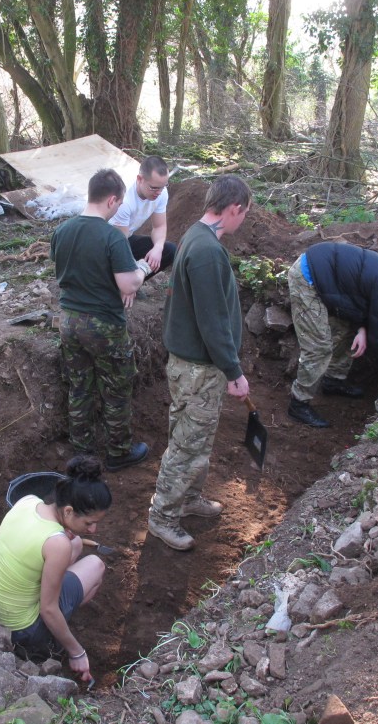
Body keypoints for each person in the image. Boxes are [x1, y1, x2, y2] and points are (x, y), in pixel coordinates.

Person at [147, 175, 252, 552]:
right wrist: (233, 371)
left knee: (194, 437)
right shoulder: (206, 251)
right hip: (198, 368)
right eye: (244, 215)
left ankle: (188, 498)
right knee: (187, 445)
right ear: (234, 209)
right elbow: (213, 320)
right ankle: (162, 516)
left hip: (189, 364)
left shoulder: (196, 235)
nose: (243, 222)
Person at [50, 169, 151, 472]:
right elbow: (128, 286)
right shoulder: (111, 236)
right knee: (116, 387)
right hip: (103, 324)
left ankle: (82, 453)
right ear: (111, 200)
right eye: (119, 204)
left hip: (68, 321)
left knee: (79, 385)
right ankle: (119, 451)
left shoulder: (62, 231)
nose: (120, 209)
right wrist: (143, 268)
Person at [0, 456, 111, 682]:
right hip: (22, 630)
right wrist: (77, 652)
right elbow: (47, 609)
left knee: (75, 543)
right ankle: (52, 635)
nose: (94, 530)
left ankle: (51, 603)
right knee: (95, 566)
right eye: (89, 522)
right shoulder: (57, 543)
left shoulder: (27, 501)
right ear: (68, 511)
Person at [286, 241, 378, 428]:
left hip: (329, 275)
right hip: (308, 277)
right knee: (319, 348)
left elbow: (362, 300)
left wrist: (362, 328)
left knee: (347, 330)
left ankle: (333, 380)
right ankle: (298, 403)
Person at [110, 155, 177, 281]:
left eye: (163, 186)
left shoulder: (161, 194)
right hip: (106, 245)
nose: (159, 192)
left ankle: (133, 284)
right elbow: (119, 246)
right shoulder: (125, 199)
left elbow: (159, 226)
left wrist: (158, 248)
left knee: (168, 250)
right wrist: (129, 277)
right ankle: (120, 286)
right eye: (154, 188)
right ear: (140, 179)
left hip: (125, 238)